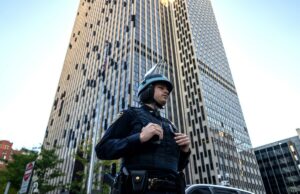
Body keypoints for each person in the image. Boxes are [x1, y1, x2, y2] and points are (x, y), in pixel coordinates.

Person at [95, 74, 191, 194]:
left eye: (167, 90)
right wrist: (140, 138)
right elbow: (102, 149)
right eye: (161, 88)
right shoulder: (130, 114)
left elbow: (177, 166)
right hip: (139, 188)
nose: (166, 91)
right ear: (148, 90)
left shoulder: (170, 125)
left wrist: (185, 151)